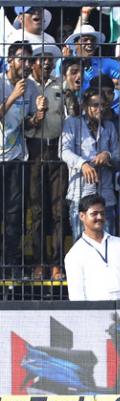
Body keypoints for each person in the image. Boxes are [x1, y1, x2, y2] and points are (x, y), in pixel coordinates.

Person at [0, 41, 44, 280]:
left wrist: (37, 116)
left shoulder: (31, 88)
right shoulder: (2, 83)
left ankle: (11, 265)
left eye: (29, 60)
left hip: (16, 158)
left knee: (14, 216)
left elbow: (27, 124)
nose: (26, 65)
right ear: (10, 60)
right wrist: (11, 97)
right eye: (21, 59)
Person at [25, 44, 67, 280]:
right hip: (34, 151)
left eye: (51, 61)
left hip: (57, 150)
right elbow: (22, 123)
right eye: (43, 60)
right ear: (33, 63)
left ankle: (57, 263)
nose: (48, 64)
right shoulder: (27, 86)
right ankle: (40, 262)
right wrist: (36, 118)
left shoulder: (59, 84)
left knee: (59, 209)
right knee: (39, 210)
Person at [61, 87, 120, 238]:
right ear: (84, 106)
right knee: (80, 243)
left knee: (107, 242)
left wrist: (107, 156)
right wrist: (83, 164)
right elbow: (64, 151)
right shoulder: (73, 124)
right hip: (81, 193)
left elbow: (119, 158)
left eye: (103, 105)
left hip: (105, 194)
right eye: (95, 105)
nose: (99, 109)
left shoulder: (109, 127)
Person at [65, 194, 120, 301]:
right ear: (82, 216)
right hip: (95, 313)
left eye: (102, 213)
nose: (99, 217)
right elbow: (76, 295)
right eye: (94, 214)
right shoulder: (75, 254)